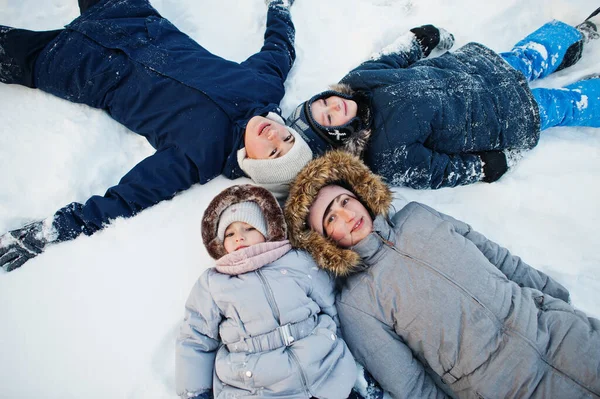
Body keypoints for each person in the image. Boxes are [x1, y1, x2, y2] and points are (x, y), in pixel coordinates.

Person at [0, 0, 314, 271]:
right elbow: (280, 48)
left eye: (272, 151)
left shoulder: (199, 157)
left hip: (83, 67)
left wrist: (52, 230)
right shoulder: (263, 87)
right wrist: (279, 6)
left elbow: (128, 198)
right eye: (288, 138)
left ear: (255, 165)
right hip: (130, 18)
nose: (274, 136)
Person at [284, 150, 600, 398]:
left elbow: (493, 254)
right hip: (506, 387)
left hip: (562, 333)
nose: (348, 215)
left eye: (345, 201)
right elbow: (408, 383)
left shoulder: (418, 217)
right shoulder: (357, 303)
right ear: (323, 240)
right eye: (331, 218)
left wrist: (552, 296)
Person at [286, 9, 600, 191]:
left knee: (530, 56)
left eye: (322, 101)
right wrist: (482, 167)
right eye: (327, 118)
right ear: (337, 137)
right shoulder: (385, 157)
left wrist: (419, 40)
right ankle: (590, 97)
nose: (332, 104)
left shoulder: (357, 82)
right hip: (500, 117)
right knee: (560, 106)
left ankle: (578, 36)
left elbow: (390, 58)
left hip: (479, 69)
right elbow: (438, 171)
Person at [175, 184, 358, 399]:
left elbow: (331, 305)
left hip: (324, 373)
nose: (239, 237)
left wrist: (333, 341)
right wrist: (195, 392)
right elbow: (196, 336)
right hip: (258, 387)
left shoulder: (297, 261)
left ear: (268, 230)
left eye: (249, 228)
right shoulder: (214, 283)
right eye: (230, 233)